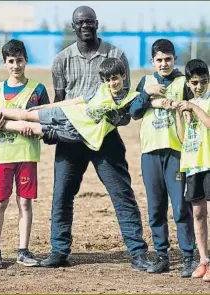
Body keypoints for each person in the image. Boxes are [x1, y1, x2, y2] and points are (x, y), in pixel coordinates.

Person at [38, 6, 151, 270]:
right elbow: (60, 101)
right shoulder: (61, 60)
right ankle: (59, 250)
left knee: (122, 194)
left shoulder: (116, 55)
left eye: (89, 22)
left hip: (105, 138)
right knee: (62, 195)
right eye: (80, 22)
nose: (85, 26)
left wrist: (114, 120)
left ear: (97, 23)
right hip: (72, 137)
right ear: (73, 26)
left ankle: (137, 252)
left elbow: (124, 100)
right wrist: (54, 132)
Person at [0, 58, 139, 152]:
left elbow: (144, 105)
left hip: (75, 133)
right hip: (68, 114)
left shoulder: (131, 98)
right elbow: (74, 101)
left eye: (115, 78)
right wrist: (46, 107)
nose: (111, 83)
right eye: (107, 79)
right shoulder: (100, 90)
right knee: (26, 114)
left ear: (123, 76)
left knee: (28, 127)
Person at [129, 39, 196, 277]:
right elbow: (134, 112)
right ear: (152, 62)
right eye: (159, 60)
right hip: (150, 153)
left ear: (175, 59)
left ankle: (189, 256)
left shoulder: (182, 82)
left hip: (176, 153)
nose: (164, 63)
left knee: (180, 206)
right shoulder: (146, 82)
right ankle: (161, 255)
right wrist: (147, 94)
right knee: (156, 207)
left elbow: (193, 109)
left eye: (168, 59)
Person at [0, 39, 50, 269]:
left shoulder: (38, 90)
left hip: (26, 155)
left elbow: (47, 123)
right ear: (4, 63)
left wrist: (36, 130)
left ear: (26, 61)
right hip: (2, 155)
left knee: (24, 203)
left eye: (19, 60)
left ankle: (23, 250)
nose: (15, 65)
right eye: (11, 61)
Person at [175, 59, 210, 282]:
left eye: (204, 82)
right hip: (193, 165)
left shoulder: (204, 103)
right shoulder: (189, 104)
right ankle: (204, 260)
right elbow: (182, 138)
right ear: (188, 82)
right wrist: (180, 113)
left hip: (209, 163)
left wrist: (194, 108)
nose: (199, 86)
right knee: (197, 213)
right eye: (195, 82)